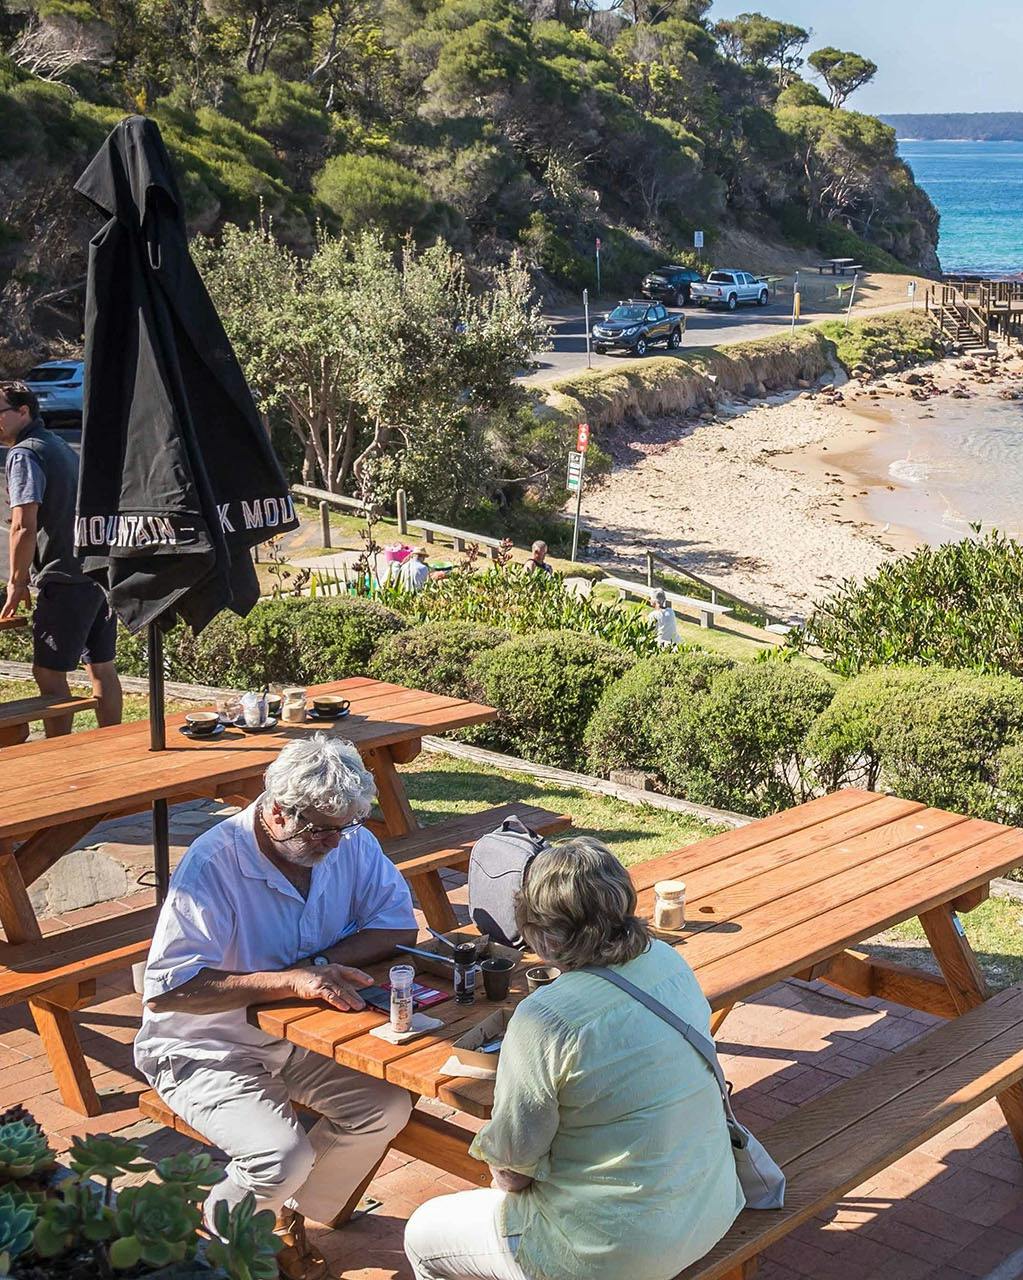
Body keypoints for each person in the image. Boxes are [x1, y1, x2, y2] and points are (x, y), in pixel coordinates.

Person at [135, 737, 419, 1280]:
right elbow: (170, 989)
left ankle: (279, 1213)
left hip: (294, 1038)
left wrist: (315, 967)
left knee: (384, 1108)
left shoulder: (346, 839)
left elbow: (397, 924)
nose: (335, 844)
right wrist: (291, 980)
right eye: (320, 830)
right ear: (277, 809)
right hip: (204, 1046)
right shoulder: (214, 862)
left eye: (345, 828)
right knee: (279, 1158)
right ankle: (217, 1245)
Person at [404, 838, 742, 1280]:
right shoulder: (666, 958)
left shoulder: (546, 1016)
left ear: (540, 929)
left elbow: (512, 1167)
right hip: (707, 1209)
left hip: (610, 1249)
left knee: (423, 1234)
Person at [0, 380, 123, 733]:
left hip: (65, 579)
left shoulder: (25, 453)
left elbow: (23, 524)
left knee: (48, 671)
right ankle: (112, 744)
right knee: (102, 666)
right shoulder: (55, 444)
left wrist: (16, 582)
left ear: (22, 412)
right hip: (97, 572)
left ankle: (60, 753)